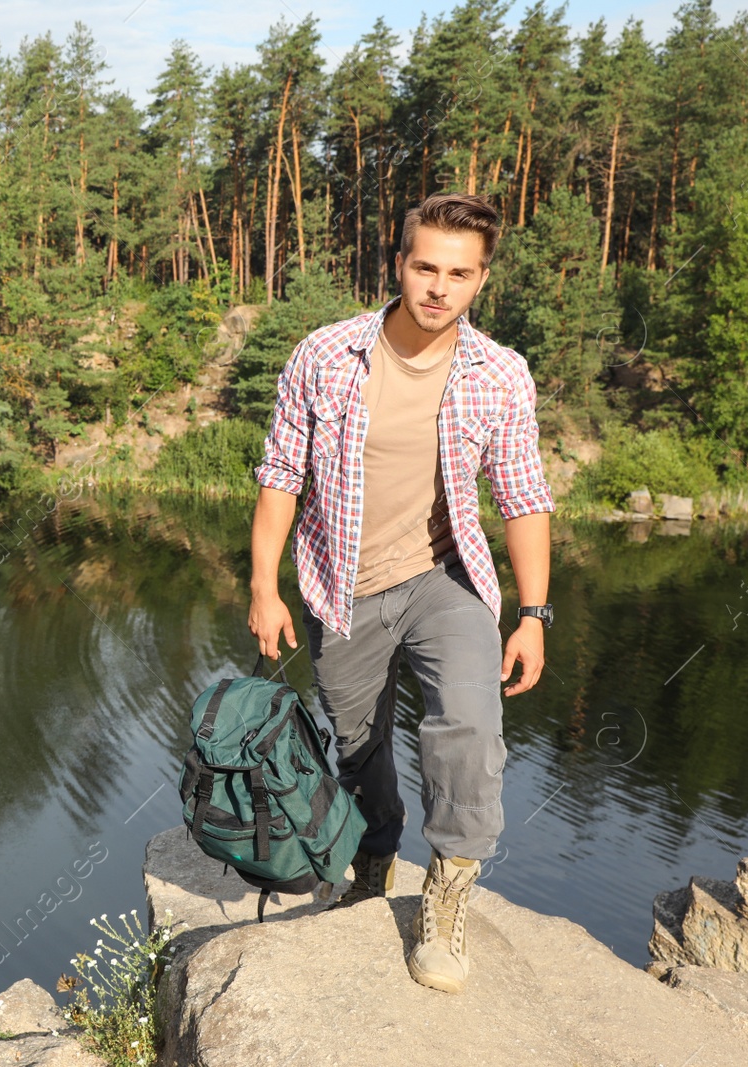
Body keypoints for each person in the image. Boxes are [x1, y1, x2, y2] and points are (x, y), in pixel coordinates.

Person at [246, 192, 554, 995]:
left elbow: (524, 496)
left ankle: (448, 883)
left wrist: (533, 614)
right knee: (358, 747)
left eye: (459, 273)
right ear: (399, 263)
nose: (438, 287)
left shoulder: (499, 374)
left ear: (481, 279)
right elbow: (282, 472)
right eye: (426, 266)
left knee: (468, 722)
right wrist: (264, 584)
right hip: (338, 586)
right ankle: (376, 849)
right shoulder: (326, 354)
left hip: (444, 580)